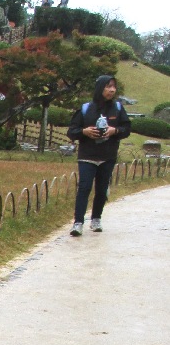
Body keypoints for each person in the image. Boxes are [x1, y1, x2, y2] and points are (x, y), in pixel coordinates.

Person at [66, 75, 131, 236]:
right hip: (87, 155)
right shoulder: (86, 108)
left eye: (114, 87)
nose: (112, 90)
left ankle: (96, 219)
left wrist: (114, 130)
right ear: (100, 88)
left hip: (107, 156)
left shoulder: (117, 108)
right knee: (84, 187)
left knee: (102, 189)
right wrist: (84, 132)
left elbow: (127, 128)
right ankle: (78, 222)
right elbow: (71, 131)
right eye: (108, 86)